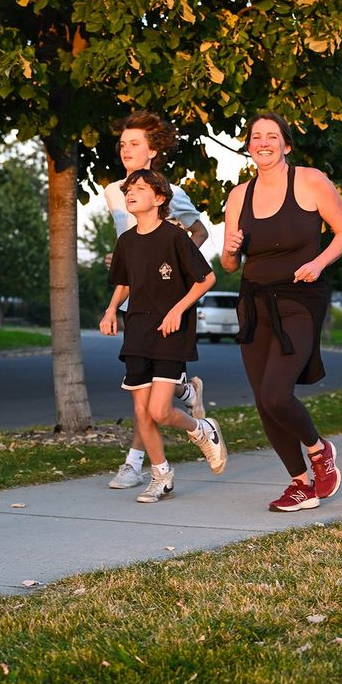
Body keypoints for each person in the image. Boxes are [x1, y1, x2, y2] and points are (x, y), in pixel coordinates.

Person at [221, 113, 342, 512]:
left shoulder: (310, 180)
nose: (264, 142)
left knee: (276, 393)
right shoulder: (237, 197)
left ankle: (319, 450)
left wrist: (319, 263)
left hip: (300, 297)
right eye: (256, 137)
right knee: (264, 401)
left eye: (272, 136)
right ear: (249, 147)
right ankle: (300, 483)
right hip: (254, 302)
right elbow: (230, 265)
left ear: (286, 144)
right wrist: (229, 250)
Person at [100, 169, 227, 503]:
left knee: (159, 410)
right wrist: (112, 309)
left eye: (140, 188)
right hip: (138, 329)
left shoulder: (174, 236)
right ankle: (161, 476)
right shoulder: (126, 241)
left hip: (171, 329)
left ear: (159, 198)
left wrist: (177, 310)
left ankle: (202, 430)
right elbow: (124, 282)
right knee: (142, 412)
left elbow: (206, 279)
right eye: (128, 189)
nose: (130, 193)